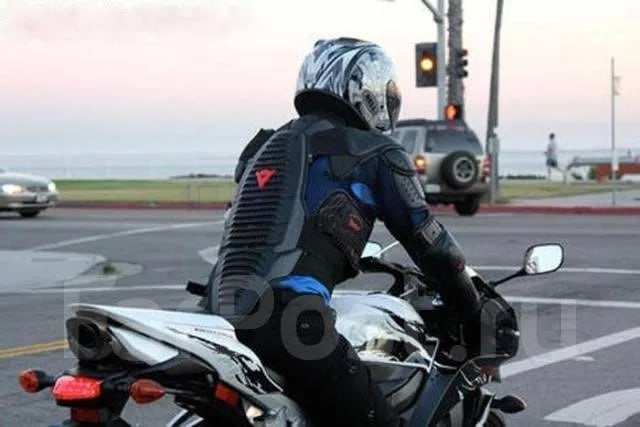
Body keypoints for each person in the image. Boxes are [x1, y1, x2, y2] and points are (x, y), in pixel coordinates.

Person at [208, 37, 484, 427]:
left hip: (217, 316)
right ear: (365, 89)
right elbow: (433, 245)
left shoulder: (262, 147)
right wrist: (471, 308)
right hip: (291, 323)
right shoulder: (374, 152)